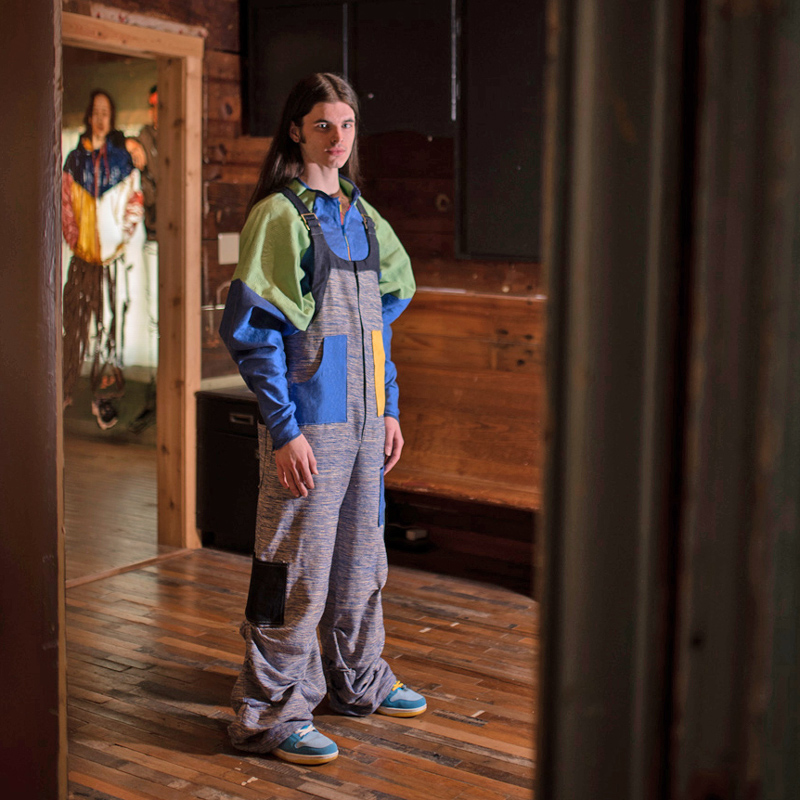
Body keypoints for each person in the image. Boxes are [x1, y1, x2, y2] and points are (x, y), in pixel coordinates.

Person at [219, 73, 423, 766]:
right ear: (296, 132)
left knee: (363, 558)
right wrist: (285, 429)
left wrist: (389, 406)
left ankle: (357, 679)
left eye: (347, 126)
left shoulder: (362, 218)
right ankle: (273, 710)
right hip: (310, 424)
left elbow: (378, 324)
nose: (338, 140)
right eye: (322, 126)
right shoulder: (282, 215)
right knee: (293, 568)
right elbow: (254, 332)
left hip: (366, 428)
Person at [61, 89, 144, 428]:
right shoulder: (74, 160)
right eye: (95, 111)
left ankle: (104, 395)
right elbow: (66, 204)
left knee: (111, 327)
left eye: (105, 112)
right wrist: (75, 240)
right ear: (88, 115)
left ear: (111, 118)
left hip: (112, 261)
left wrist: (120, 238)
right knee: (77, 323)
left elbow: (134, 200)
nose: (99, 117)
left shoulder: (122, 160)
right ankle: (65, 392)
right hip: (82, 258)